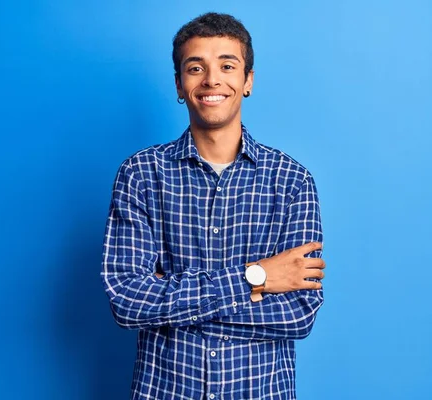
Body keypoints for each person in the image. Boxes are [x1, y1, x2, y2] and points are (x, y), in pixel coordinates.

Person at [101, 12, 326, 400]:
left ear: (248, 80)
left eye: (227, 65)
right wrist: (255, 278)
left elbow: (299, 313)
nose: (211, 80)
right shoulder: (141, 175)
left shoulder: (292, 181)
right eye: (195, 67)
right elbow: (128, 301)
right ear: (178, 84)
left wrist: (173, 303)